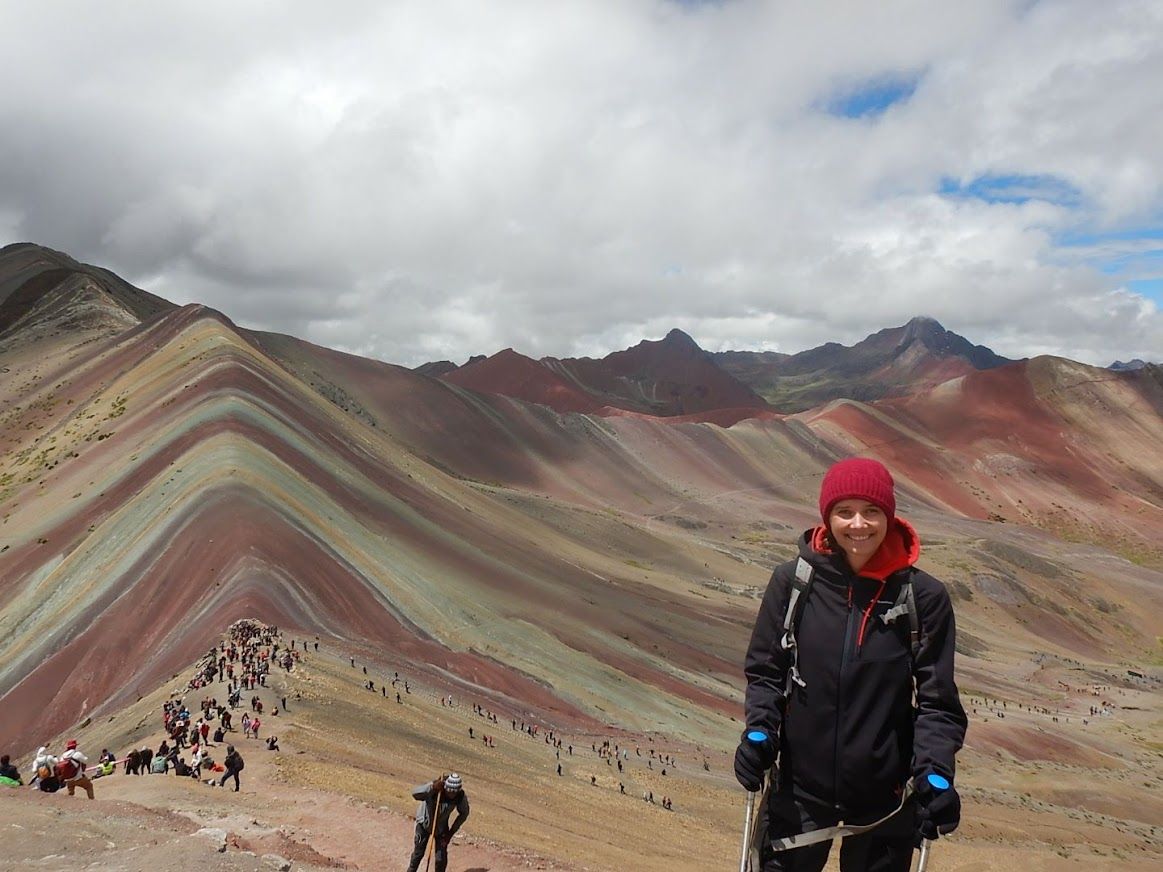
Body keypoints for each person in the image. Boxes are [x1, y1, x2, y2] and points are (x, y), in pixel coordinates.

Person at [735, 458, 967, 872]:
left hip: (885, 804)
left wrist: (935, 774)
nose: (858, 524)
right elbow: (767, 673)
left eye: (871, 511)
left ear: (889, 516)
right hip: (799, 793)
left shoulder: (923, 598)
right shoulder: (792, 584)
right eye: (845, 512)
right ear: (828, 517)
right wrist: (758, 731)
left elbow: (936, 702)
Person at [405, 772, 470, 872]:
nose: (451, 795)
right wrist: (432, 787)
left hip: (441, 829)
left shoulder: (459, 796)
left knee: (440, 859)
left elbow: (464, 813)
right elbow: (415, 793)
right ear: (445, 787)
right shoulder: (436, 788)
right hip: (424, 824)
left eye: (454, 792)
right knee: (418, 854)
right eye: (449, 791)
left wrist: (450, 833)